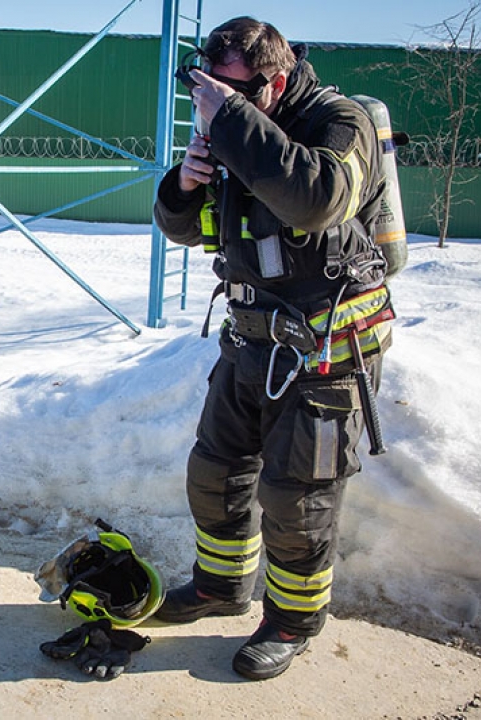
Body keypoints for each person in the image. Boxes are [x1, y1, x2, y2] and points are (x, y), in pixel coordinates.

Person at [152, 17, 393, 680]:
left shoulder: (340, 123)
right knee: (215, 472)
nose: (216, 104)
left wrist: (228, 124)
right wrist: (186, 184)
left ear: (276, 80)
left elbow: (317, 200)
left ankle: (292, 621)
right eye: (208, 89)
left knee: (297, 499)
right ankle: (220, 587)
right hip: (250, 342)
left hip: (324, 355)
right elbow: (188, 229)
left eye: (232, 93)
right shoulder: (240, 127)